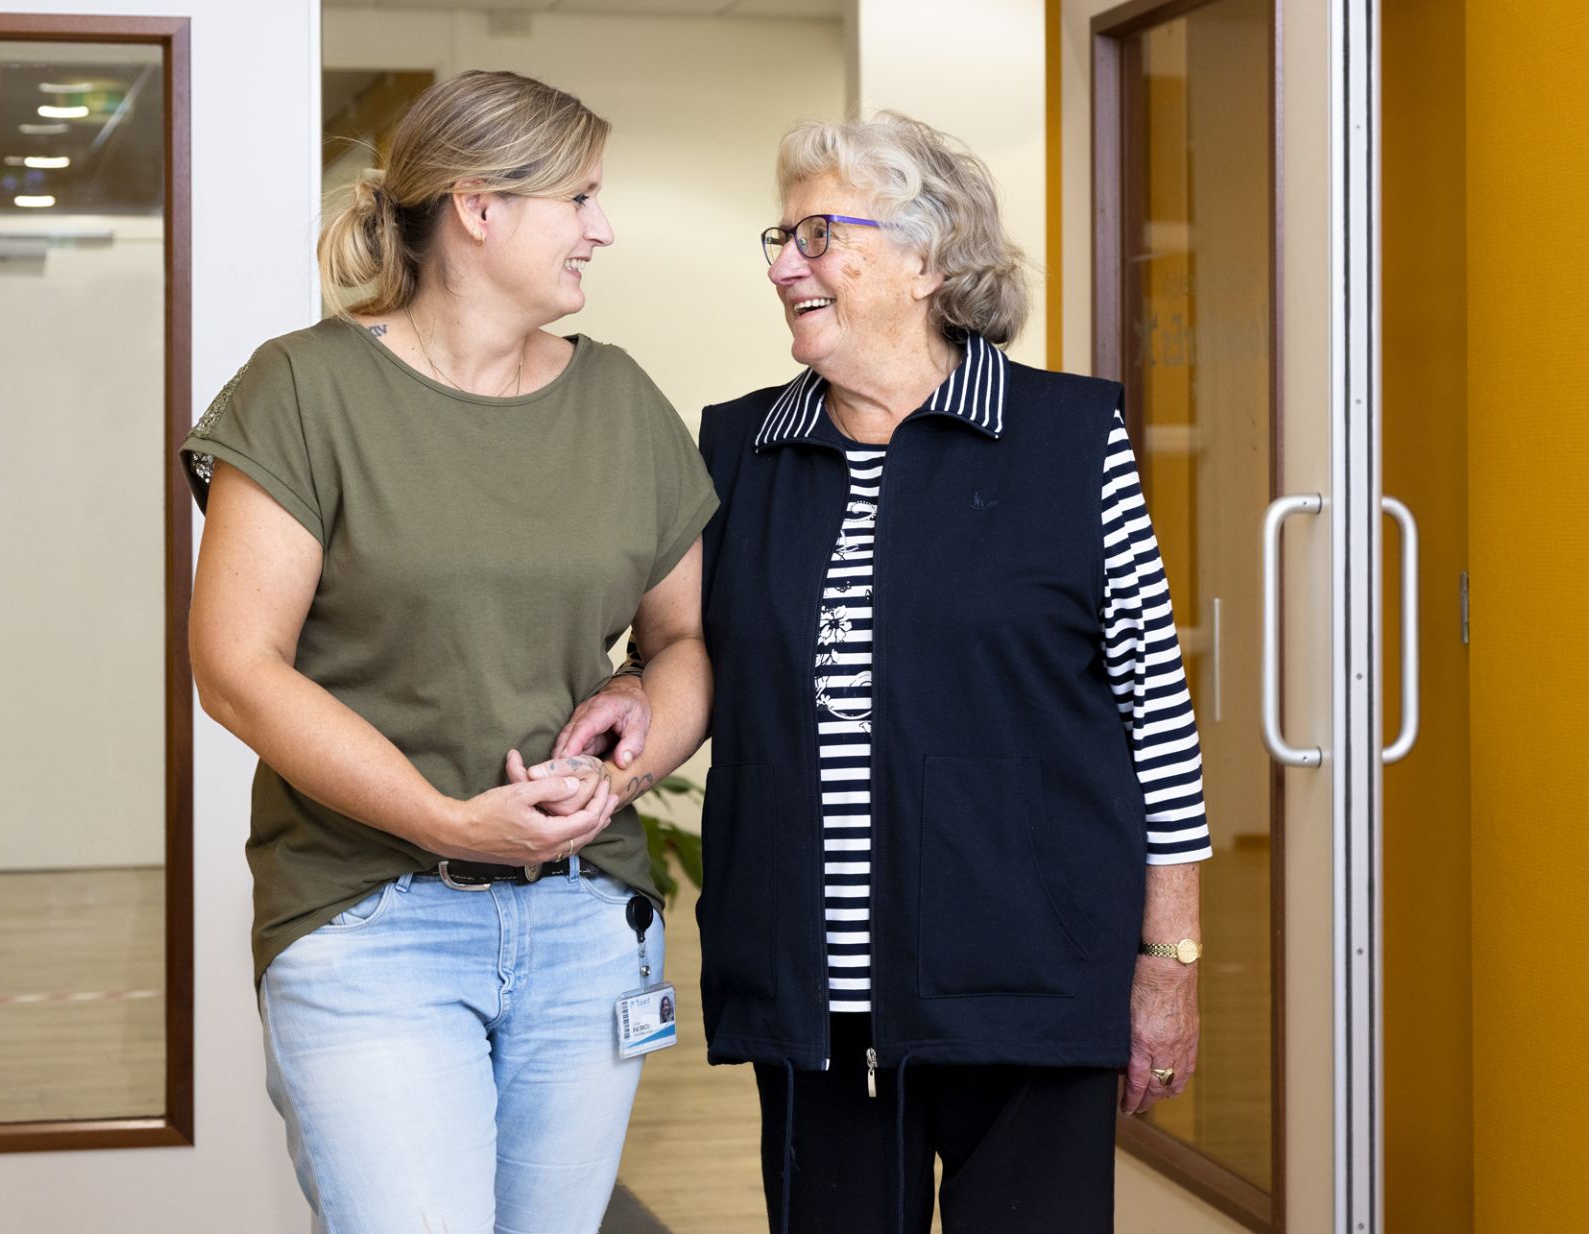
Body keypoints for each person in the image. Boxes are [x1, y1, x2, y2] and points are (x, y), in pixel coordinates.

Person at [554, 114, 1212, 1232]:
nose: (781, 263)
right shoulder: (738, 452)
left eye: (818, 232)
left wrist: (1169, 957)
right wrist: (629, 689)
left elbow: (1155, 706)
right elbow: (682, 653)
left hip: (1029, 980)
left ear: (930, 259)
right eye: (780, 235)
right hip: (814, 999)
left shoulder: (1067, 436)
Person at [182, 70, 717, 1233]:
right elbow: (236, 666)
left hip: (584, 920)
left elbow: (681, 640)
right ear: (479, 208)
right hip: (372, 915)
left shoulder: (622, 401)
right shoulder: (304, 390)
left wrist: (630, 748)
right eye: (579, 197)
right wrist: (445, 820)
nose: (603, 228)